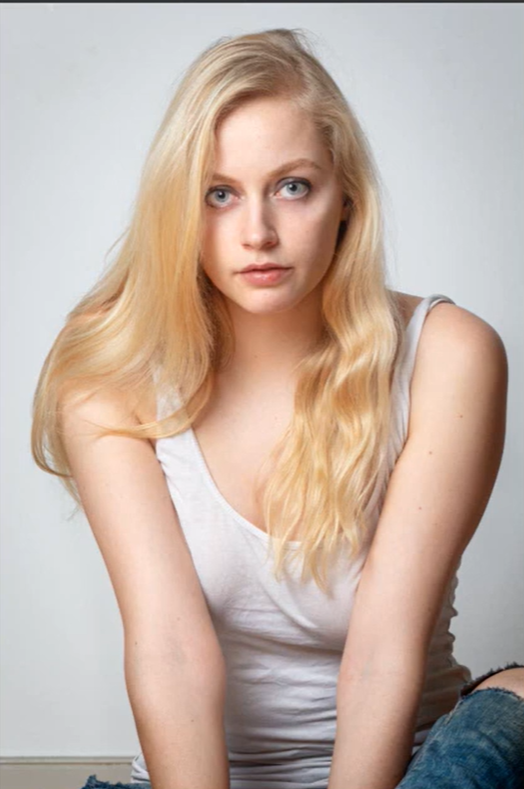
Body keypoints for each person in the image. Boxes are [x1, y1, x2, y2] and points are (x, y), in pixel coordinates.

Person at [31, 27, 523, 789]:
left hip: (411, 768)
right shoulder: (112, 362)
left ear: (345, 197)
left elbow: (383, 650)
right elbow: (170, 648)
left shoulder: (447, 353)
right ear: (177, 207)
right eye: (218, 194)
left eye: (292, 186)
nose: (257, 232)